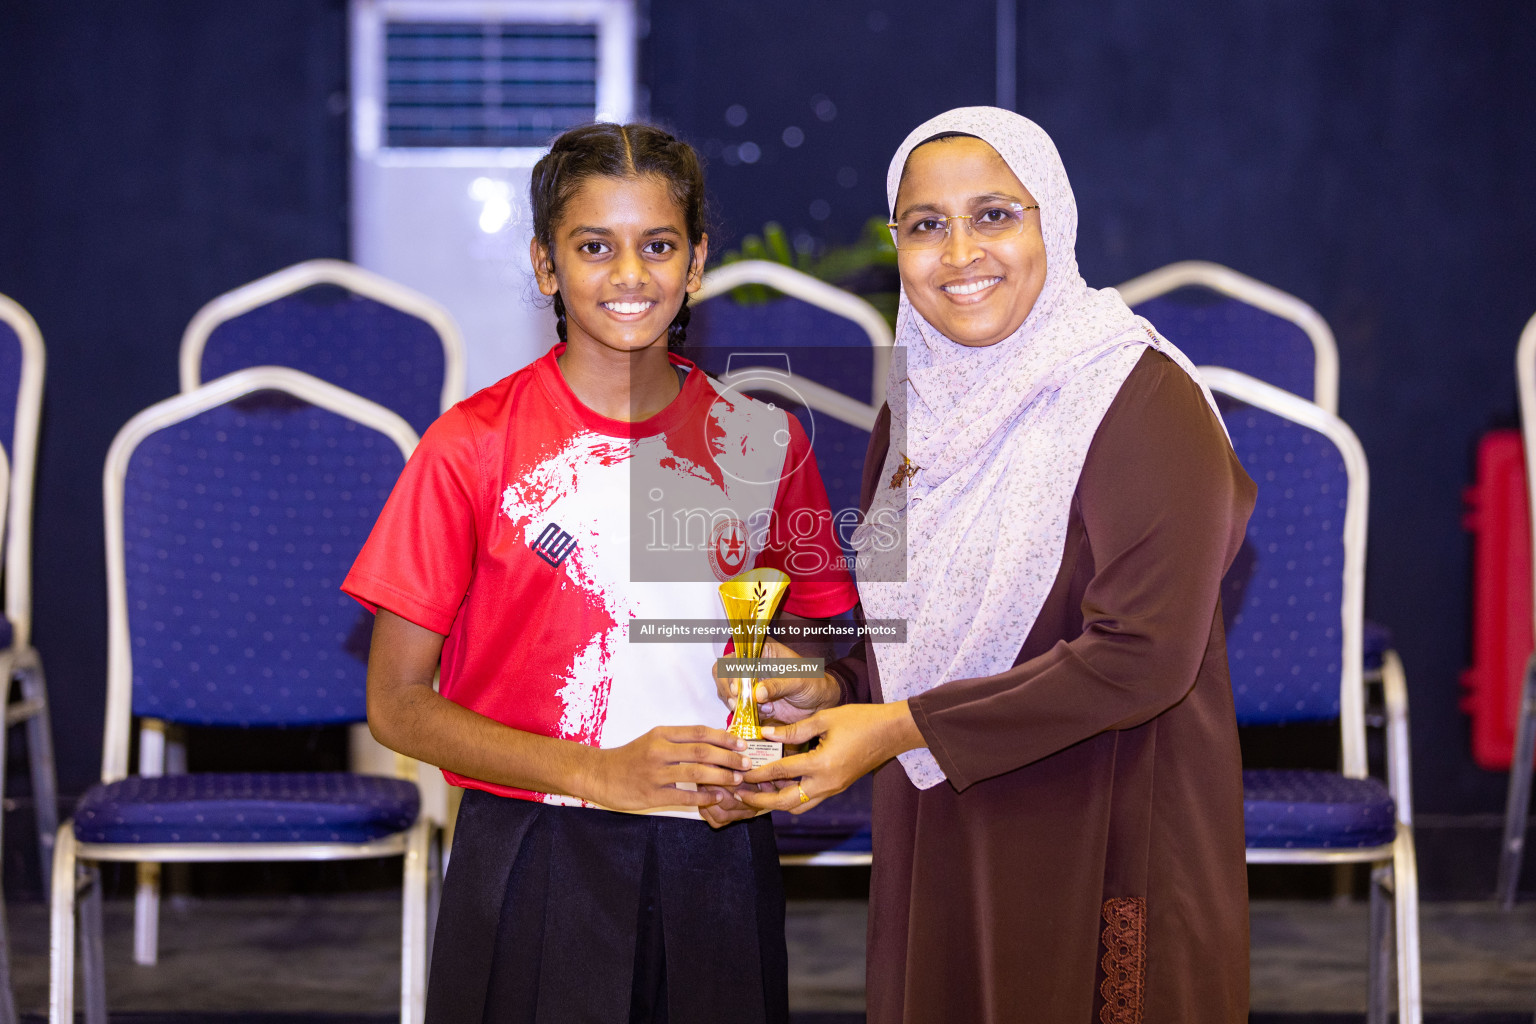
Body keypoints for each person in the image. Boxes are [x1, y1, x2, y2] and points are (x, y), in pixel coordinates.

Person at [735, 107, 1256, 1022]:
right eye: (926, 225)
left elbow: (1141, 657)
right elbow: (912, 624)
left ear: (1052, 217)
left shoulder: (1139, 396)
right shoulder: (917, 406)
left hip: (1106, 813)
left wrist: (897, 728)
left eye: (995, 215)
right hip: (945, 813)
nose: (960, 251)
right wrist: (836, 690)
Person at [343, 121, 857, 1024]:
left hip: (722, 847)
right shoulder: (469, 448)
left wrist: (811, 684)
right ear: (547, 266)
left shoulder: (762, 442)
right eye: (594, 247)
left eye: (658, 245)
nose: (630, 276)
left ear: (696, 263)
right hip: (535, 854)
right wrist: (594, 773)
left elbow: (823, 634)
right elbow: (396, 704)